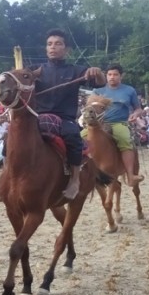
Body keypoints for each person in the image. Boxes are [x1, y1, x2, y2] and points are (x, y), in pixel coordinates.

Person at [32, 28, 105, 199]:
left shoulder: (76, 70)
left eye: (58, 44)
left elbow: (100, 83)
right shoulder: (36, 69)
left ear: (66, 49)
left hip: (64, 118)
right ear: (46, 48)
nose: (53, 47)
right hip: (37, 117)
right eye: (49, 44)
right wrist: (23, 76)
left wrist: (98, 72)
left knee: (73, 136)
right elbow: (19, 80)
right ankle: (8, 175)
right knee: (12, 136)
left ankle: (75, 180)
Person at [83, 64, 144, 187]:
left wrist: (135, 115)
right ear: (106, 75)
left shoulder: (129, 90)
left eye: (115, 74)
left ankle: (131, 175)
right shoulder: (98, 91)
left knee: (125, 140)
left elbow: (138, 108)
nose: (112, 77)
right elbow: (90, 107)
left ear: (121, 76)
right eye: (109, 74)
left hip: (118, 123)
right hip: (98, 123)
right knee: (78, 138)